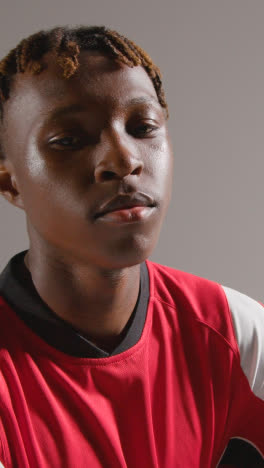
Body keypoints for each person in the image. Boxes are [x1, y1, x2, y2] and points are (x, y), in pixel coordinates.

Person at [0, 25, 263, 468]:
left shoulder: (236, 335)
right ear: (10, 182)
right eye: (69, 140)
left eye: (143, 127)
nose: (124, 160)